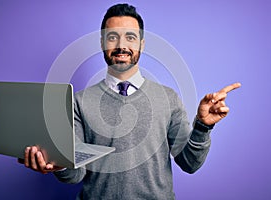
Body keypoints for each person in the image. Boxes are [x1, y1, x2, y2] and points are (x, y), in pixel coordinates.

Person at [19, 3, 241, 199]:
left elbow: (190, 164)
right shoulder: (79, 102)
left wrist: (203, 126)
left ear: (142, 44)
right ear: (102, 43)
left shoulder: (168, 98)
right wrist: (59, 165)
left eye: (130, 37)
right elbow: (75, 175)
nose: (121, 45)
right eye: (113, 36)